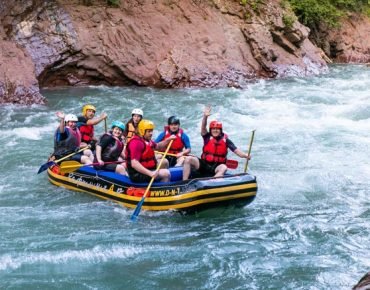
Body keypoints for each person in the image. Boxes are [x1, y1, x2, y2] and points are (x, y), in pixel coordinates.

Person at [182, 106, 251, 180]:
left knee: (224, 167)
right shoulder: (207, 137)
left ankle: (211, 183)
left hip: (217, 166)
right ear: (210, 130)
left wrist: (245, 155)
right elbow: (203, 127)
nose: (215, 130)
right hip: (204, 164)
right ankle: (184, 182)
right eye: (213, 129)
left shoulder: (226, 140)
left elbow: (237, 151)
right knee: (188, 159)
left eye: (217, 129)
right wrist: (205, 117)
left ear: (220, 130)